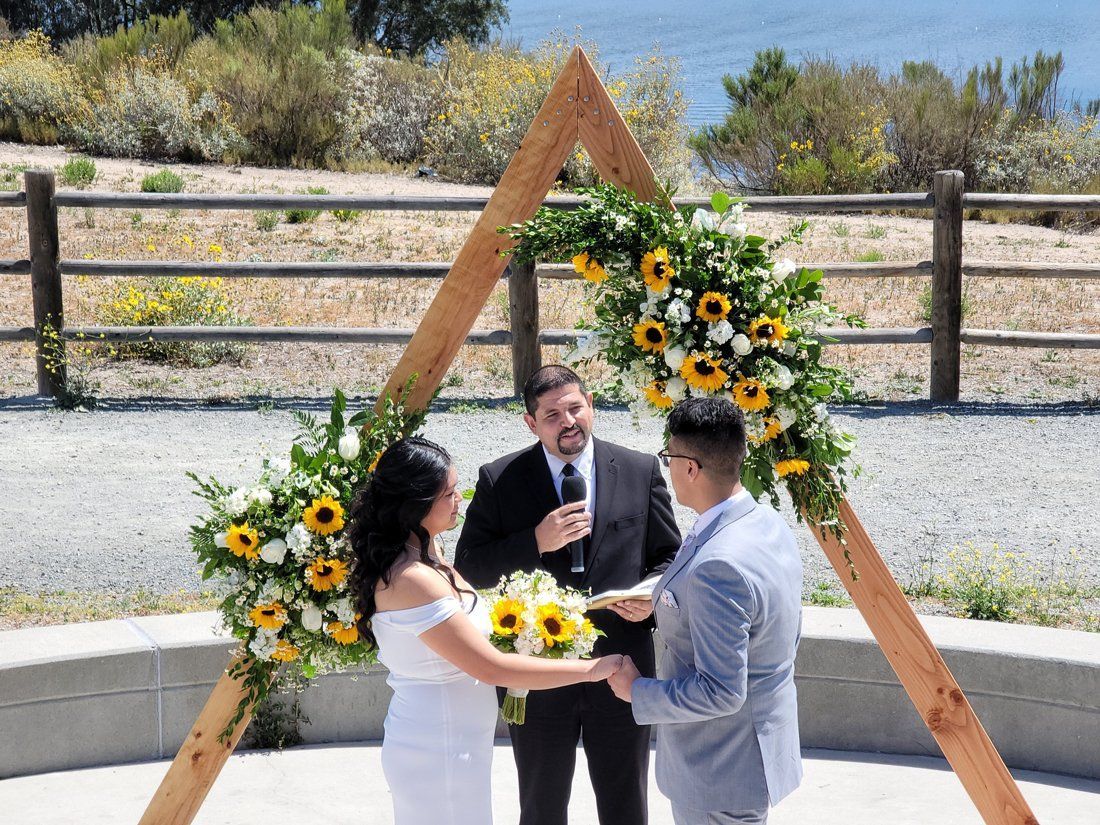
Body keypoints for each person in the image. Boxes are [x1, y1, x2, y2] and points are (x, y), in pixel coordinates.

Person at [347, 436, 624, 825]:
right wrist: (592, 670)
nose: (459, 498)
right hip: (436, 745)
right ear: (417, 504)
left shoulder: (429, 552)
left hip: (456, 739)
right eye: (449, 492)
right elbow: (491, 668)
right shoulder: (412, 579)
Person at [455, 365, 681, 825]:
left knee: (626, 804)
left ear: (591, 404)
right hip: (536, 670)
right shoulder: (500, 479)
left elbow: (671, 561)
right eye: (552, 414)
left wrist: (650, 600)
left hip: (622, 665)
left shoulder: (639, 470)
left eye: (575, 408)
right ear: (531, 423)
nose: (568, 421)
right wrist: (535, 540)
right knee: (540, 805)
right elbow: (469, 567)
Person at [607, 397, 804, 825]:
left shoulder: (719, 564)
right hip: (755, 752)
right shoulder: (764, 522)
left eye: (669, 458)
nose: (667, 468)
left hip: (722, 768)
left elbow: (721, 691)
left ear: (691, 467)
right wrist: (662, 601)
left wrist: (635, 690)